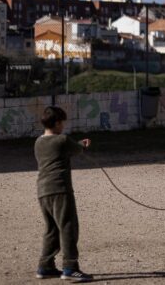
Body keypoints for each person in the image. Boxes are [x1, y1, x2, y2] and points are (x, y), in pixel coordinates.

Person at [34, 106, 94, 282]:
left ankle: (45, 266)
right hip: (60, 189)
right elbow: (77, 149)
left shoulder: (38, 142)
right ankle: (70, 267)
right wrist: (84, 144)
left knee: (51, 229)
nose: (64, 126)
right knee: (68, 227)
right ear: (57, 123)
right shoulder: (62, 140)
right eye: (62, 123)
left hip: (43, 191)